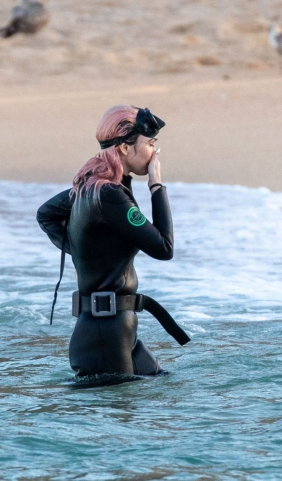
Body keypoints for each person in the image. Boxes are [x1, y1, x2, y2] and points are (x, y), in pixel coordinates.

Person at [37, 105, 189, 377]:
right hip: (104, 333)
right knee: (118, 415)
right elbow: (163, 248)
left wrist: (85, 256)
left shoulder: (92, 187)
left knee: (164, 386)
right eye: (151, 144)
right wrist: (156, 185)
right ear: (124, 148)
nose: (154, 153)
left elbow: (46, 214)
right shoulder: (108, 194)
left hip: (114, 329)